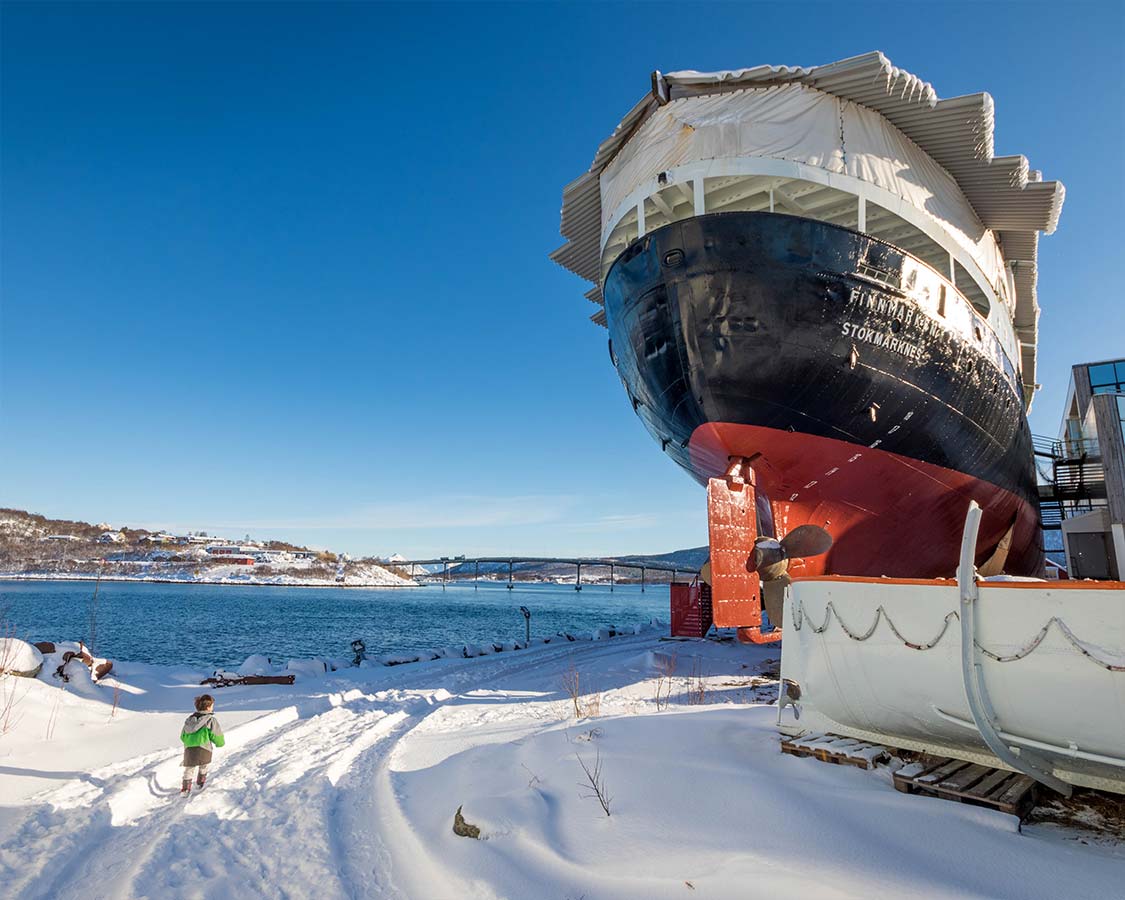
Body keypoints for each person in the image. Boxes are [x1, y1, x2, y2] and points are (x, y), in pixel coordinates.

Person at [180, 693, 225, 795]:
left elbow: (182, 736)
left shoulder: (189, 720)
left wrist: (189, 742)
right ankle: (200, 783)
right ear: (208, 707)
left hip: (189, 749)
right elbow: (216, 734)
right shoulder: (210, 720)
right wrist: (220, 743)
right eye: (212, 706)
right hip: (204, 748)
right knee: (203, 765)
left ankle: (185, 789)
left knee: (189, 769)